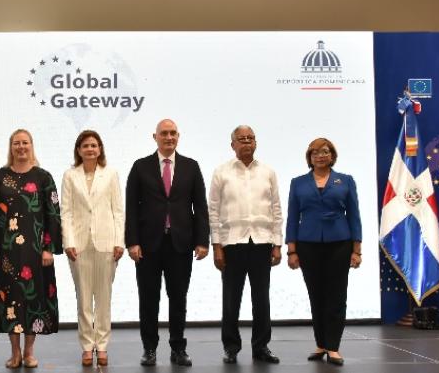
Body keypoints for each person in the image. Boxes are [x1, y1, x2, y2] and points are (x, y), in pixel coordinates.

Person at [125, 119, 209, 367]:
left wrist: (202, 241)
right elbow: (130, 207)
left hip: (181, 244)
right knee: (148, 299)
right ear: (155, 137)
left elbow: (200, 207)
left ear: (178, 136)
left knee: (178, 298)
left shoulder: (191, 167)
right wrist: (132, 242)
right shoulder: (140, 167)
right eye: (164, 133)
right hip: (148, 246)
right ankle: (149, 349)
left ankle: (178, 349)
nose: (169, 137)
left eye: (173, 133)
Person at [0, 129, 63, 369]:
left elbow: (53, 215)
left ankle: (29, 352)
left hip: (36, 252)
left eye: (25, 143)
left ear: (31, 146)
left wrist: (49, 248)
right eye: (16, 143)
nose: (21, 147)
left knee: (33, 300)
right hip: (6, 253)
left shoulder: (44, 177)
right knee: (12, 302)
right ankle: (14, 352)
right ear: (11, 147)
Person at [285, 138, 363, 367]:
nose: (320, 155)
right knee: (316, 295)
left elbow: (354, 216)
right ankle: (320, 343)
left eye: (325, 152)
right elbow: (292, 217)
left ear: (332, 155)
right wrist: (292, 249)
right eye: (315, 152)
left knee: (336, 297)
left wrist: (356, 250)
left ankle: (334, 347)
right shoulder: (297, 183)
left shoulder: (346, 181)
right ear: (309, 157)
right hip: (308, 245)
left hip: (339, 244)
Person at [208, 125, 282, 365]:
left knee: (262, 298)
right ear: (233, 145)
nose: (247, 142)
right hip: (232, 244)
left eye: (251, 138)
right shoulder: (222, 172)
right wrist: (217, 246)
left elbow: (277, 210)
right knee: (231, 299)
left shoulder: (268, 172)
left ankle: (261, 347)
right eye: (242, 139)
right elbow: (213, 211)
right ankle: (231, 347)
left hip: (262, 242)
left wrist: (278, 244)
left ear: (256, 142)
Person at [60, 130, 125, 367]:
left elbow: (118, 210)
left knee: (104, 299)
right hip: (79, 245)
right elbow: (65, 211)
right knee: (84, 299)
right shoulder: (70, 175)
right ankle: (87, 346)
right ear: (78, 150)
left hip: (107, 243)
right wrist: (68, 242)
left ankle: (103, 346)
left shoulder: (111, 174)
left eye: (94, 145)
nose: (90, 149)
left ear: (100, 149)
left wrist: (120, 241)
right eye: (85, 145)